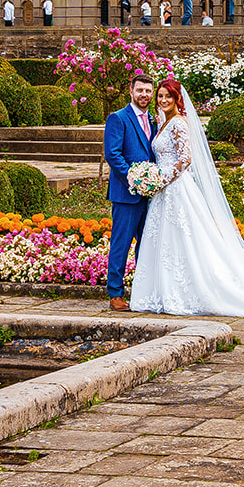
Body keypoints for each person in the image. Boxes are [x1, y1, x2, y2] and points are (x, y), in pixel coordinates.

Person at [129, 77, 244, 319]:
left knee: (185, 239)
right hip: (163, 193)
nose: (163, 100)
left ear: (178, 99)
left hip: (177, 189)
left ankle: (189, 292)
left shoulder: (178, 123)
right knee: (165, 241)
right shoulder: (162, 123)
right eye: (161, 96)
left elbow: (186, 159)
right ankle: (163, 293)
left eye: (168, 96)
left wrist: (161, 179)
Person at [103, 74, 159, 312]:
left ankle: (142, 291)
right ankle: (115, 293)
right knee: (121, 244)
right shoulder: (118, 118)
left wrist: (152, 182)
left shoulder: (154, 121)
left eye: (148, 91)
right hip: (126, 194)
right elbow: (113, 155)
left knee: (146, 245)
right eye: (140, 90)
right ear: (131, 91)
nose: (144, 95)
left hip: (151, 195)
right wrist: (135, 179)